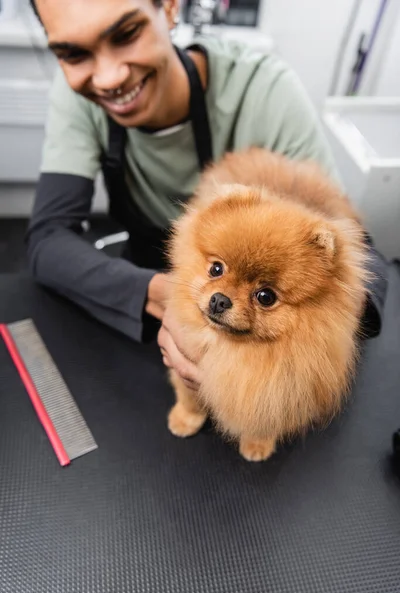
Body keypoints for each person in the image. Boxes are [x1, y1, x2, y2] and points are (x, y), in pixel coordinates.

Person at [27, 0, 387, 391]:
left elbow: (360, 259)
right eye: (73, 54)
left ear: (168, 8)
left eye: (127, 34)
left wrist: (309, 340)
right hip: (143, 296)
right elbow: (48, 239)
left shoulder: (265, 92)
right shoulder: (77, 99)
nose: (109, 77)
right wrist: (161, 293)